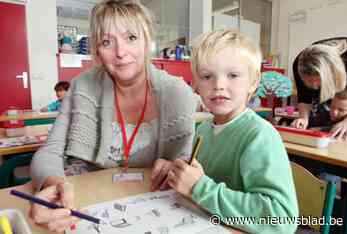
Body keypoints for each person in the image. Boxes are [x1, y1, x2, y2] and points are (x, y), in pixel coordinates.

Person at [29, 0, 196, 232]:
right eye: (107, 42)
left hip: (155, 209)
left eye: (131, 38)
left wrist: (176, 167)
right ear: (97, 50)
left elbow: (186, 161)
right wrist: (54, 184)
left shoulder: (178, 94)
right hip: (87, 205)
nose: (120, 53)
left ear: (147, 41)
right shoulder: (81, 87)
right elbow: (49, 151)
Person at [166, 29, 298, 233]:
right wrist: (181, 173)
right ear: (196, 85)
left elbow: (281, 220)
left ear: (253, 82)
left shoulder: (259, 136)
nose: (218, 85)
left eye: (233, 75)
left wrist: (198, 187)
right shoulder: (204, 129)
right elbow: (201, 183)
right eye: (207, 76)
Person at [291, 39, 347, 140]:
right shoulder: (299, 64)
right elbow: (304, 97)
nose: (314, 86)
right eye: (309, 81)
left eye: (319, 82)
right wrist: (303, 118)